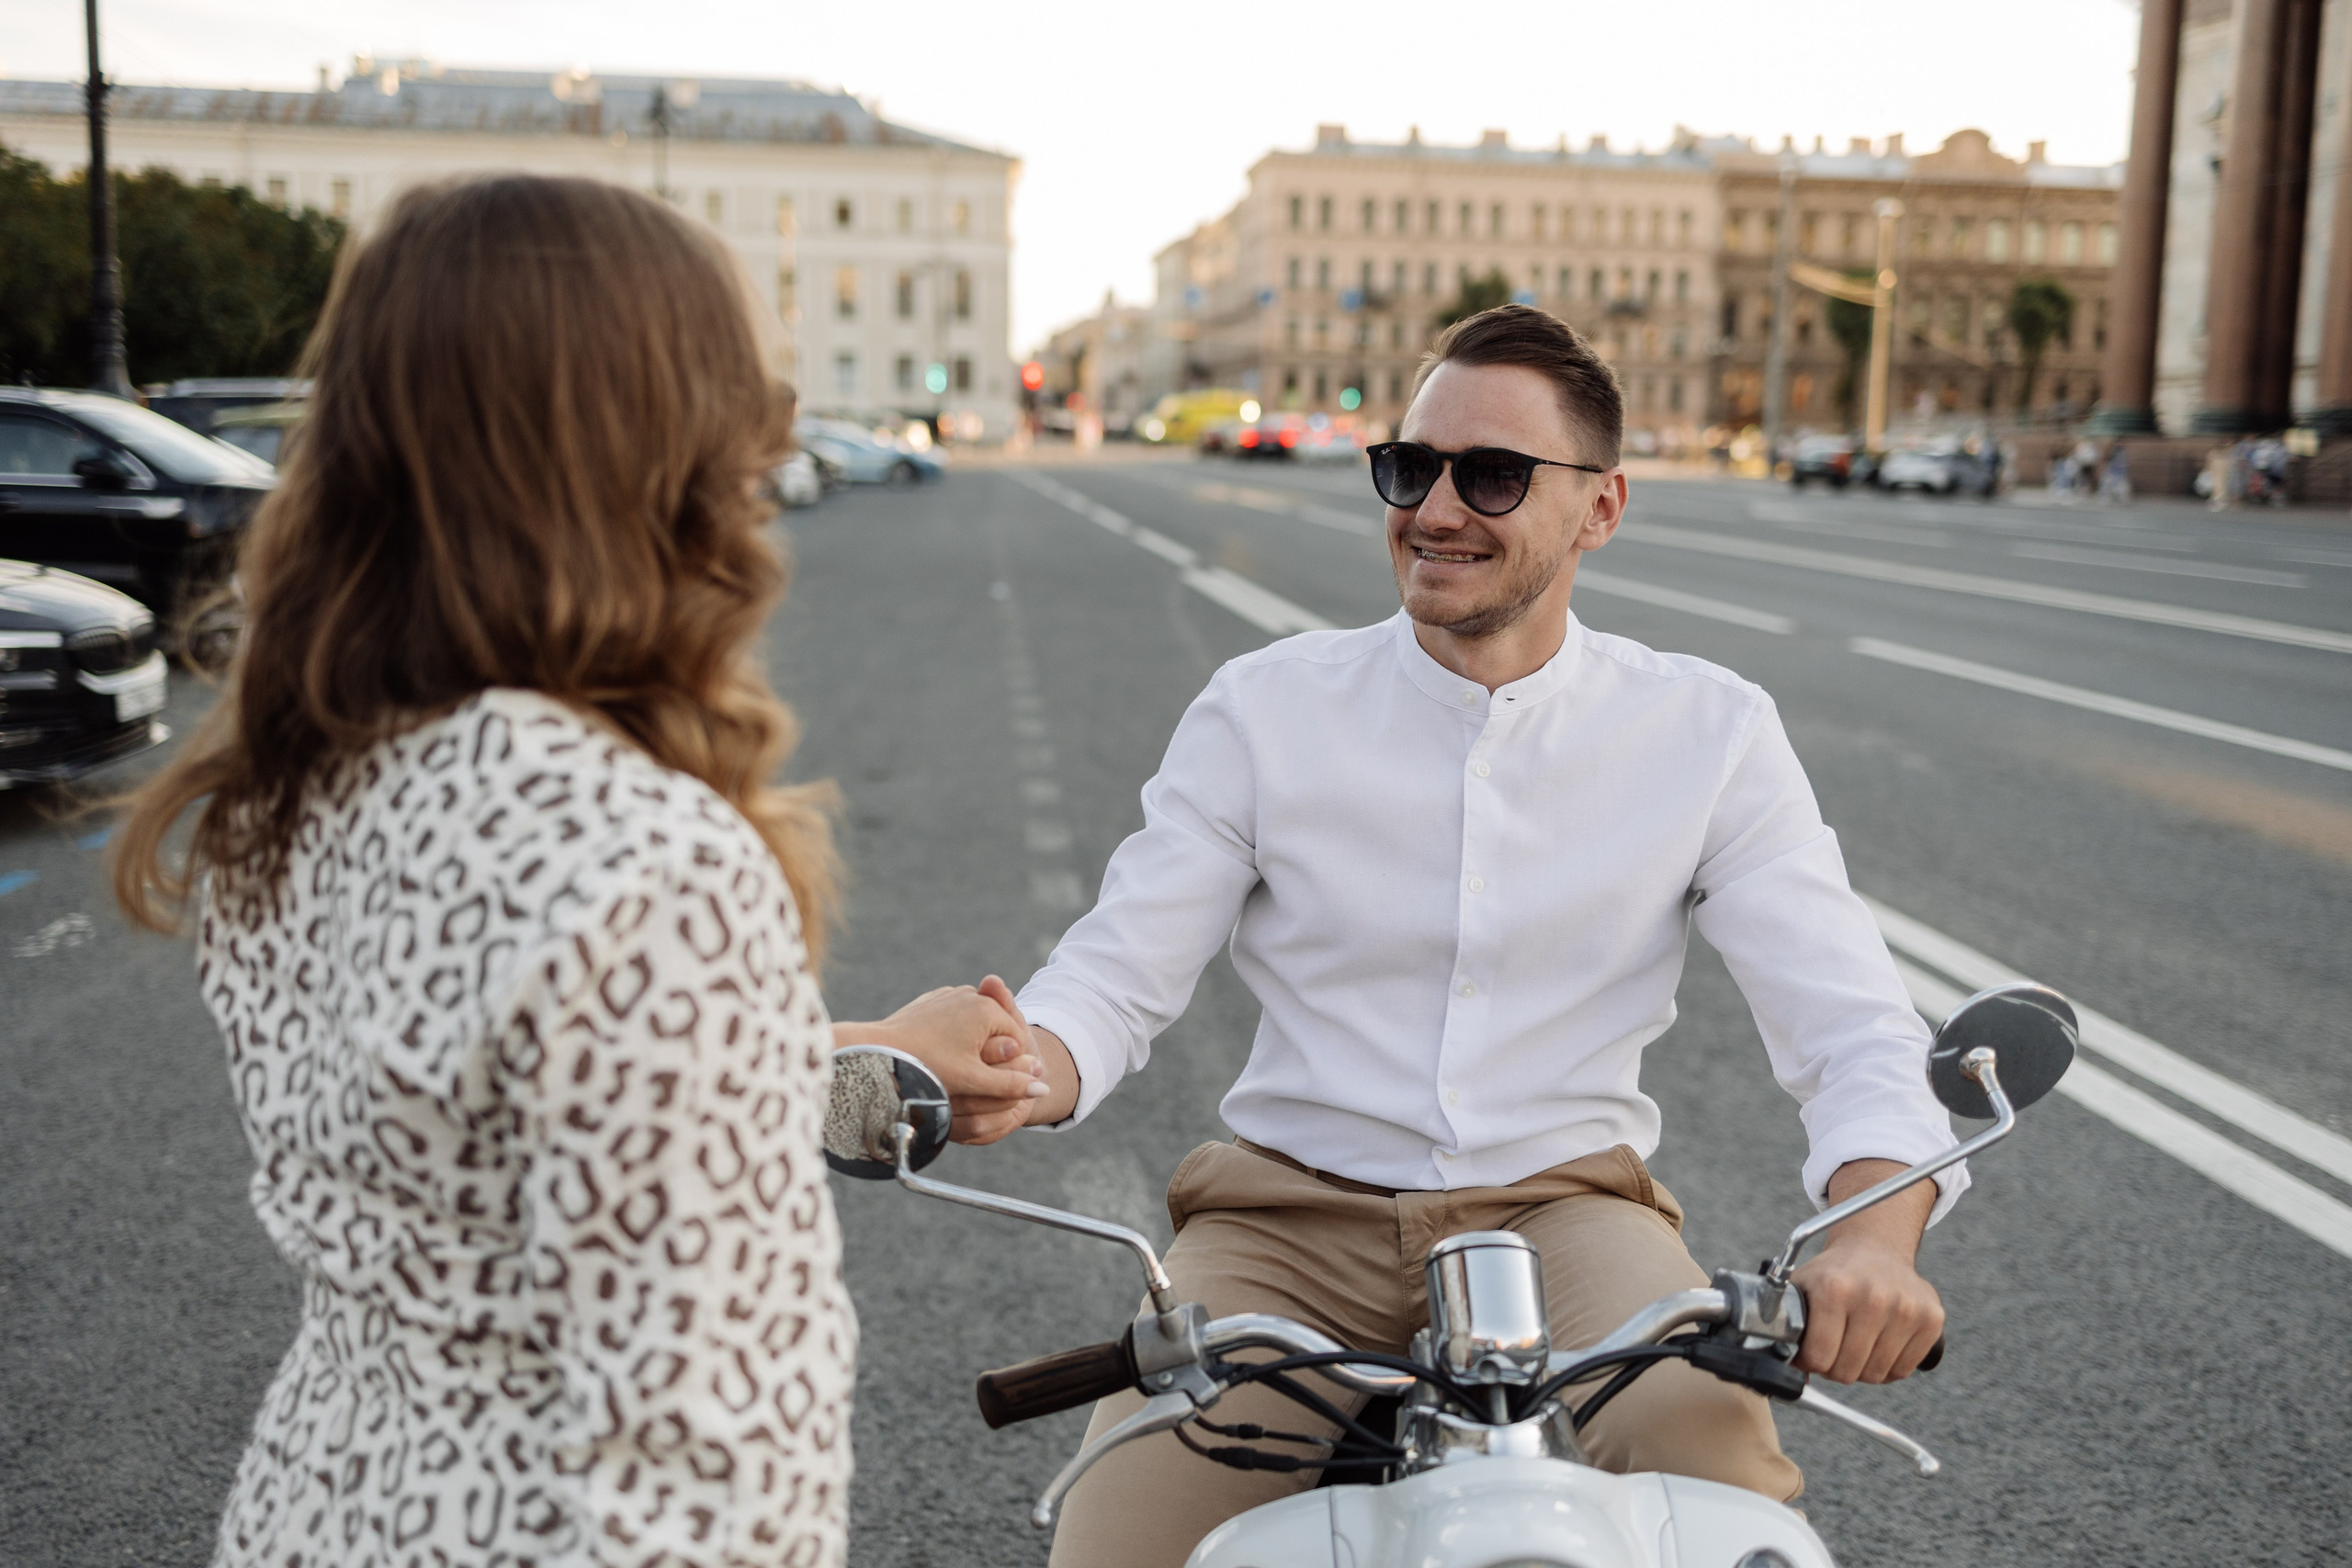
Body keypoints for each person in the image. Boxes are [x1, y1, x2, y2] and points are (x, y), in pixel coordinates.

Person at [109, 175, 1042, 1568]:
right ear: (647, 453)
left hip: (320, 1509)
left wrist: (869, 1057)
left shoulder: (294, 787)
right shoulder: (645, 859)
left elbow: (500, 1131)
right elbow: (716, 1459)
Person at [966, 306, 1962, 1568]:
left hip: (1568, 1213)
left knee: (1723, 1483)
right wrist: (1019, 1064)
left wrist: (1875, 1237)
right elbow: (1114, 978)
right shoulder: (1267, 708)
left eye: (1490, 476)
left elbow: (1852, 1024)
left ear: (1599, 509)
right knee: (1118, 1534)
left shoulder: (1710, 731)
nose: (1435, 507)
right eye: (1409, 466)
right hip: (1285, 1220)